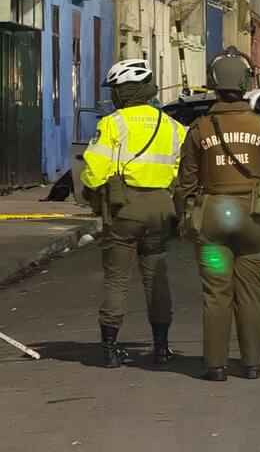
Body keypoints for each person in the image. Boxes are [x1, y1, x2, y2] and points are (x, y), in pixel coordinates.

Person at [173, 47, 260, 381]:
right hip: (254, 219)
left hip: (212, 221)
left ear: (213, 84)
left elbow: (186, 184)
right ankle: (253, 363)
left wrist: (184, 219)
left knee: (216, 293)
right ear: (244, 83)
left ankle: (215, 365)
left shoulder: (199, 129)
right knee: (250, 293)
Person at [81, 59, 186, 368]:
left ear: (124, 92)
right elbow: (182, 172)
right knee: (156, 278)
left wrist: (94, 187)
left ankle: (110, 349)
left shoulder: (113, 123)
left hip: (125, 208)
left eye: (115, 90)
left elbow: (94, 171)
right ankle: (162, 348)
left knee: (116, 279)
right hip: (160, 208)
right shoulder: (173, 126)